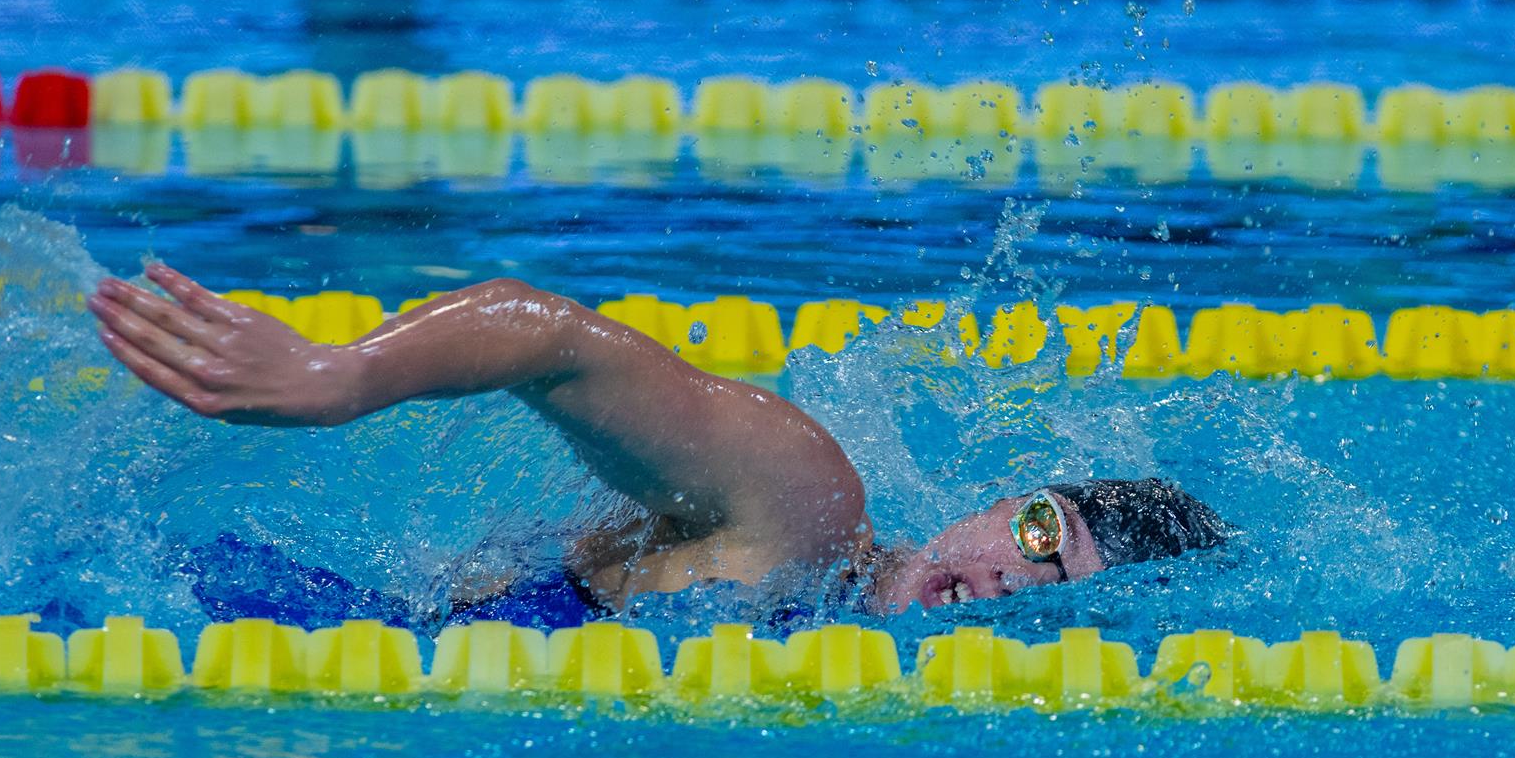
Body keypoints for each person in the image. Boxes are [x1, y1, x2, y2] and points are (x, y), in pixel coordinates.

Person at [87, 263, 1229, 625]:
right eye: (1036, 532)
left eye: (1044, 589)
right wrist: (339, 377)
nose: (997, 579)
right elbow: (554, 340)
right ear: (996, 500)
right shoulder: (807, 506)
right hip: (245, 615)